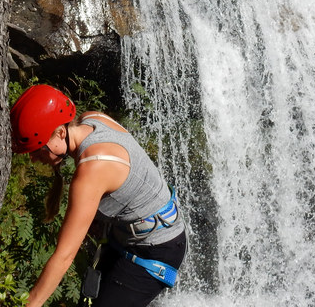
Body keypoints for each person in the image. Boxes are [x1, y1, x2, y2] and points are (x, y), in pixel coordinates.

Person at [10, 84, 186, 307]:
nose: (34, 158)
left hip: (156, 249)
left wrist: (29, 304)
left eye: (38, 149)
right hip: (132, 234)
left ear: (61, 132)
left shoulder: (92, 169)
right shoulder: (92, 119)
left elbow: (64, 257)